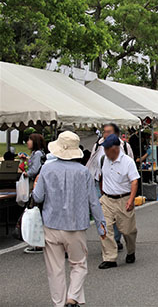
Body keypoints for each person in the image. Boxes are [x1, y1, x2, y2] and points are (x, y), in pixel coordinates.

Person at [32, 131, 106, 307]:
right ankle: (73, 297)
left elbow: (38, 196)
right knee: (79, 265)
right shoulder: (83, 172)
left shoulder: (47, 169)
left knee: (55, 269)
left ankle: (59, 303)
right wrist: (101, 225)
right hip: (75, 226)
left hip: (51, 224)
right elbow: (93, 201)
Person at [87, 123, 134, 251]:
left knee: (118, 216)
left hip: (119, 186)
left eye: (109, 132)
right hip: (99, 182)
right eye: (104, 131)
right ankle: (109, 243)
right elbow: (91, 162)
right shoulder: (98, 145)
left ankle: (116, 239)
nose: (105, 134)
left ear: (116, 134)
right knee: (103, 215)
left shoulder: (124, 146)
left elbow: (131, 165)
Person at [98, 134, 140, 270]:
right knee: (106, 228)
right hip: (107, 200)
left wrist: (131, 199)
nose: (104, 151)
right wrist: (102, 193)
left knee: (128, 231)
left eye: (107, 149)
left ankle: (131, 251)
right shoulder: (104, 159)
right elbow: (101, 177)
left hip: (124, 199)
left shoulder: (127, 162)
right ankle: (110, 258)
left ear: (115, 148)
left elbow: (134, 181)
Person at [20, 133, 47, 254]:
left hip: (36, 185)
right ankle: (38, 242)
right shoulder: (39, 153)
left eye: (29, 140)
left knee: (35, 212)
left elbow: (35, 170)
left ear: (35, 141)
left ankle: (38, 243)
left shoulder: (37, 154)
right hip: (39, 184)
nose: (27, 142)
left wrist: (27, 173)